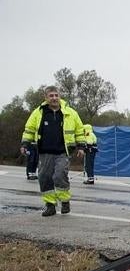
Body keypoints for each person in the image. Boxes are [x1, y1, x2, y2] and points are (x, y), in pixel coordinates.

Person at [20, 86, 86, 216]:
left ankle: (65, 201)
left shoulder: (71, 113)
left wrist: (82, 147)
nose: (54, 98)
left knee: (59, 175)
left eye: (56, 95)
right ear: (46, 98)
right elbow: (29, 129)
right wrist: (24, 144)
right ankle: (50, 205)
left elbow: (79, 130)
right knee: (44, 178)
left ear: (60, 96)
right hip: (44, 152)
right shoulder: (38, 112)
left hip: (63, 152)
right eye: (51, 96)